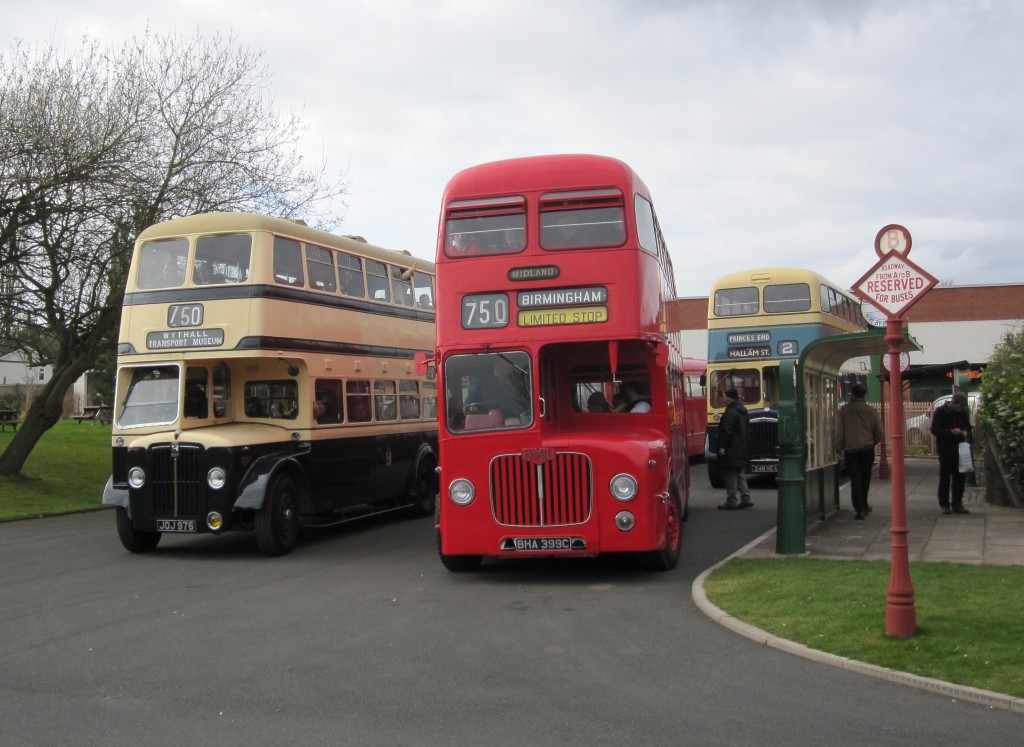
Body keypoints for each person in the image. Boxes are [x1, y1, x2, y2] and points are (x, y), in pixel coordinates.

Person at [834, 383, 883, 520]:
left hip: (851, 450)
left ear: (852, 394)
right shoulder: (871, 411)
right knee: (865, 478)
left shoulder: (844, 410)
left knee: (855, 478)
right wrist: (872, 442)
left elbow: (839, 432)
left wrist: (838, 448)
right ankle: (864, 505)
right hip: (867, 449)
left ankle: (859, 509)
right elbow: (879, 431)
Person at [931, 392, 973, 514]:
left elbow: (967, 426)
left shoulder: (962, 413)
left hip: (960, 448)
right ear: (953, 403)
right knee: (945, 477)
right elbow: (935, 430)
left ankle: (957, 503)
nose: (960, 409)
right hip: (945, 448)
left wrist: (965, 431)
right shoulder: (940, 412)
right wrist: (950, 432)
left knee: (960, 477)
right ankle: (944, 504)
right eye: (959, 407)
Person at [717, 388, 752, 510]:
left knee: (730, 474)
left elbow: (726, 430)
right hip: (741, 446)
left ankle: (731, 500)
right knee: (739, 474)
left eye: (724, 397)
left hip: (731, 448)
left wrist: (722, 446)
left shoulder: (731, 412)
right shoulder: (743, 410)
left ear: (728, 397)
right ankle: (746, 498)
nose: (722, 399)